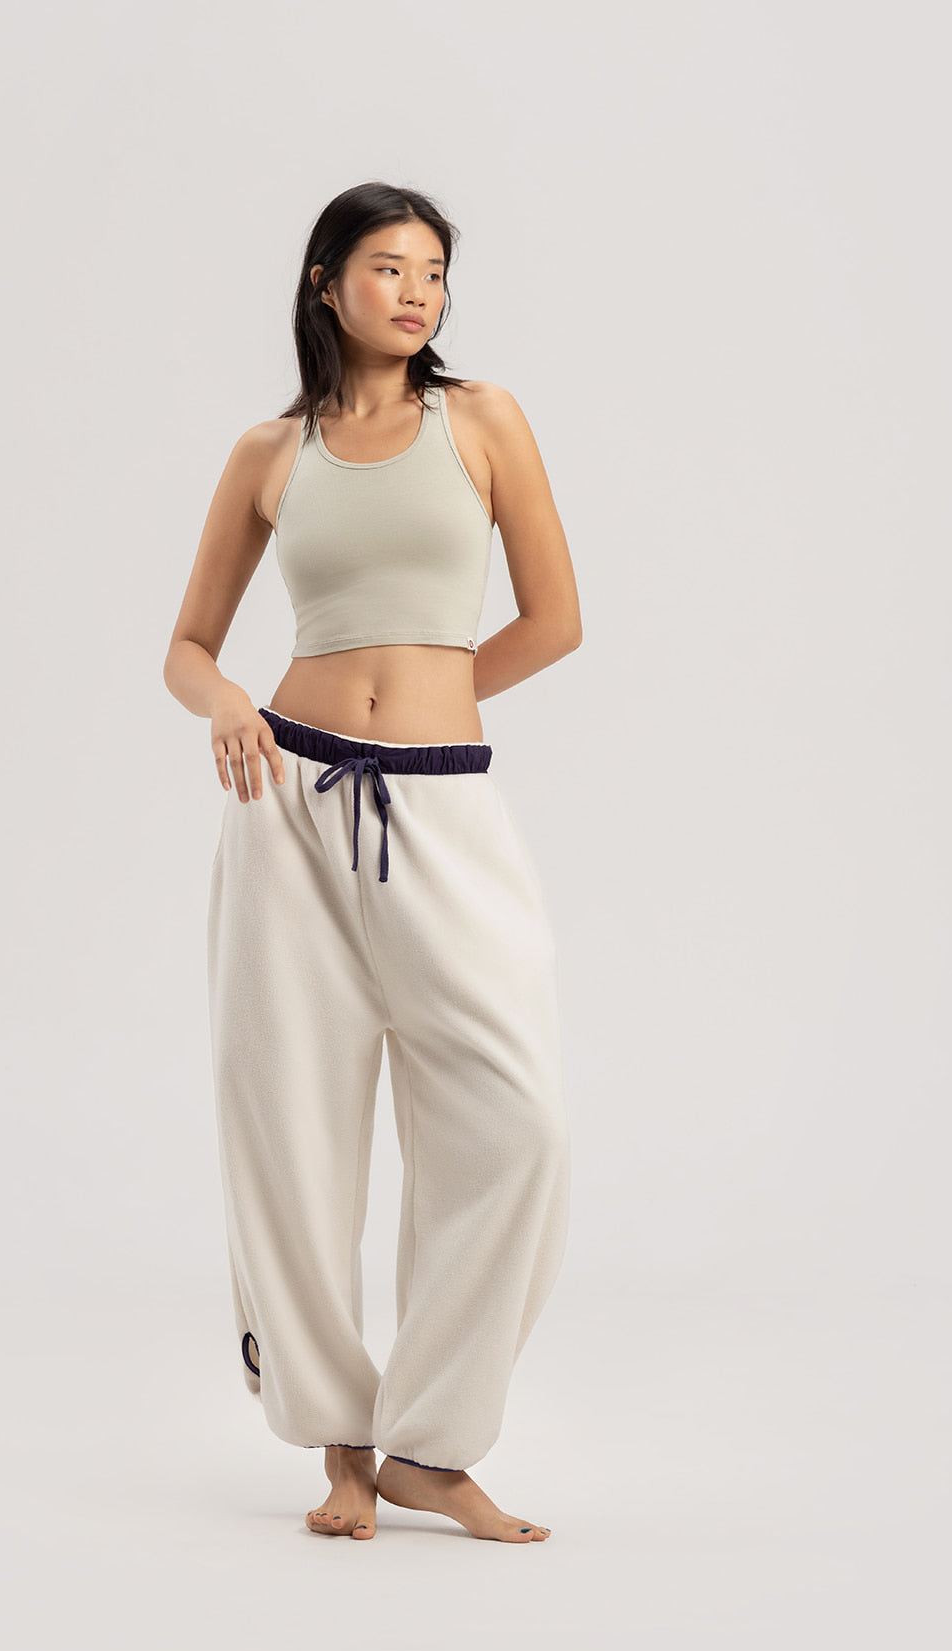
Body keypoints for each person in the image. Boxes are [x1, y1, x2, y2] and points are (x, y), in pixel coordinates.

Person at [162, 181, 583, 1543]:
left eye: (435, 273)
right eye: (391, 267)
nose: (418, 292)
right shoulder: (269, 452)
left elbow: (556, 619)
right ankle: (340, 1443)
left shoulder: (485, 422)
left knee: (518, 1123)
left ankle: (433, 1445)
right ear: (325, 280)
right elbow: (187, 647)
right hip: (287, 801)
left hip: (440, 807)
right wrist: (230, 705)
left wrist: (431, 711)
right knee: (289, 1121)